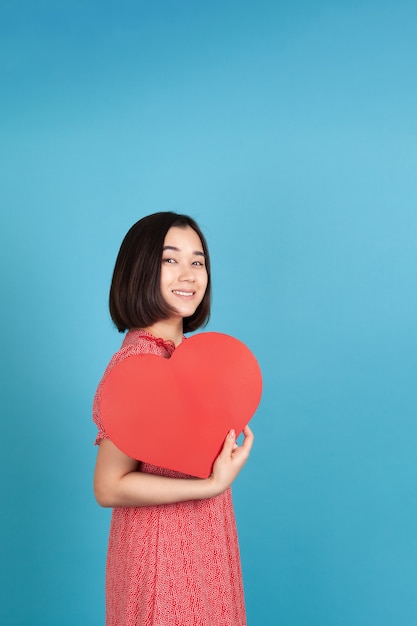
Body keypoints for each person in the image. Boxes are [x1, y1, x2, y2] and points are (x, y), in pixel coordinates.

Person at [93, 211, 254, 626]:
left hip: (206, 544)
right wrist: (212, 485)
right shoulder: (138, 365)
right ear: (140, 270)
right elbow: (109, 486)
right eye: (170, 260)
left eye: (197, 261)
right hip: (162, 556)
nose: (189, 275)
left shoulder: (192, 361)